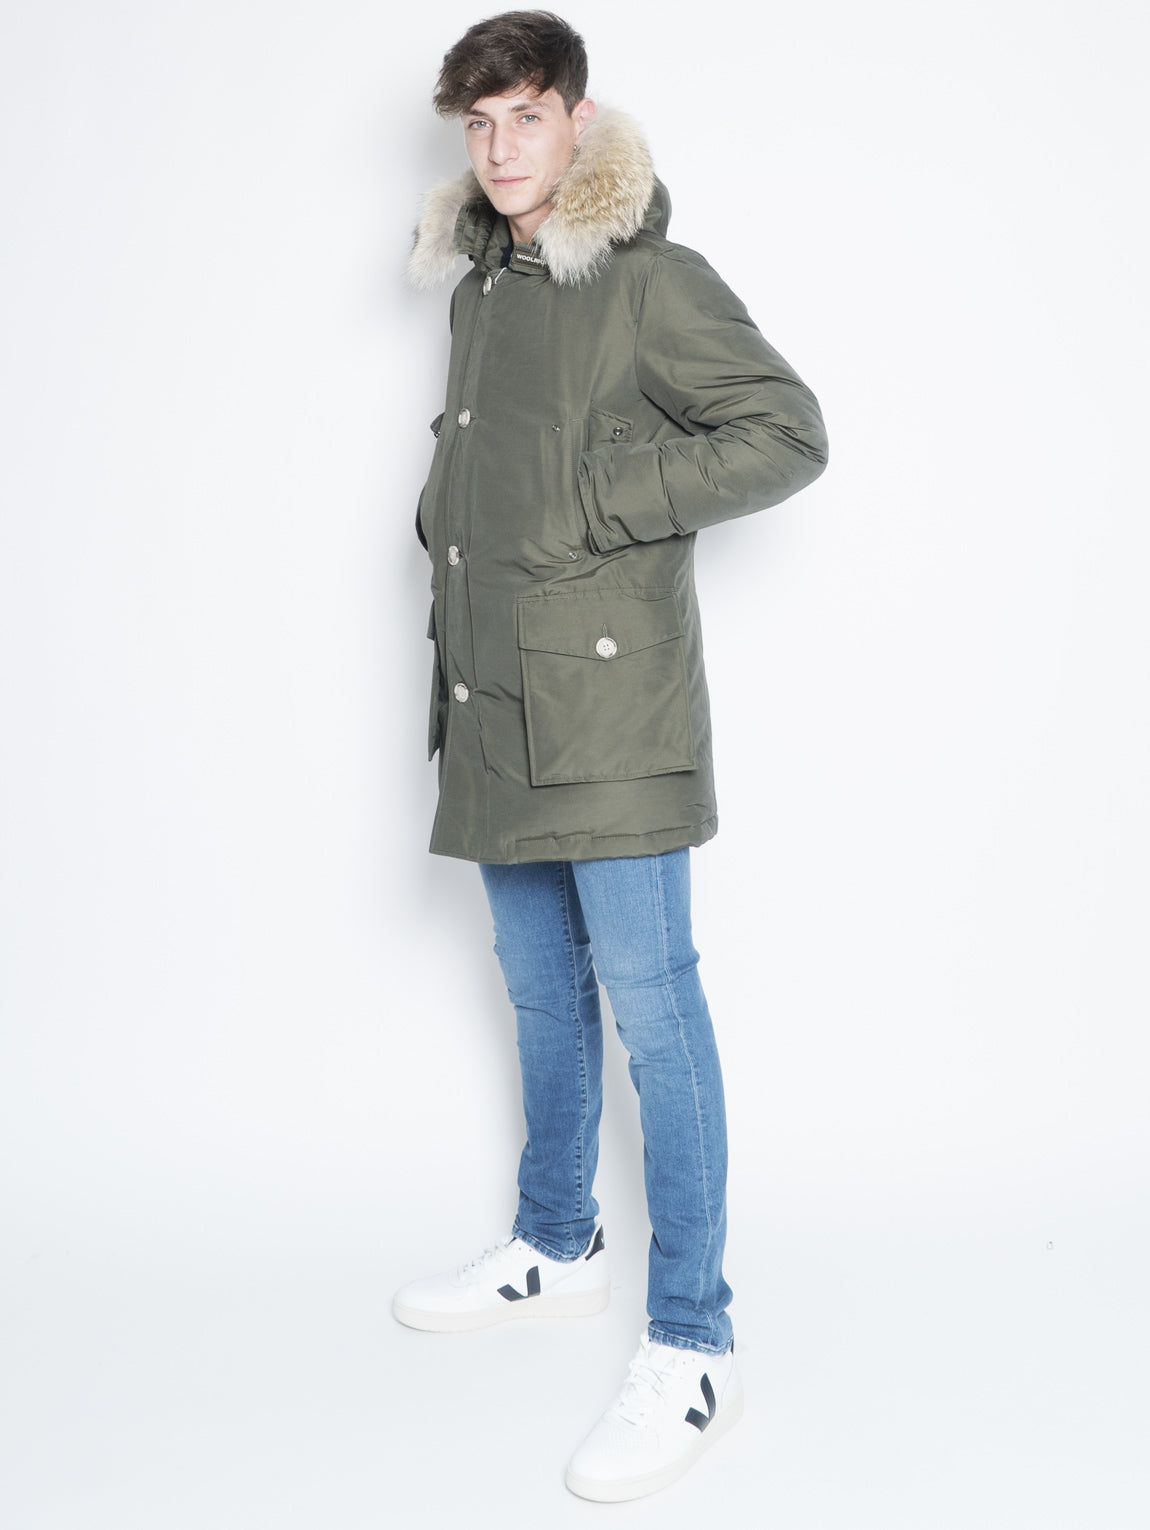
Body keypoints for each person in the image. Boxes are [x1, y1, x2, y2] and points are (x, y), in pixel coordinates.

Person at [394, 10, 828, 1502]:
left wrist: (599, 495)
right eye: (477, 124)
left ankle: (695, 1342)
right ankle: (554, 1239)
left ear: (577, 120)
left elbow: (785, 433)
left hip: (611, 711)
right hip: (493, 701)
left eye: (523, 115)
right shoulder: (481, 287)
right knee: (538, 989)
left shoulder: (650, 278)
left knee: (655, 1009)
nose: (498, 147)